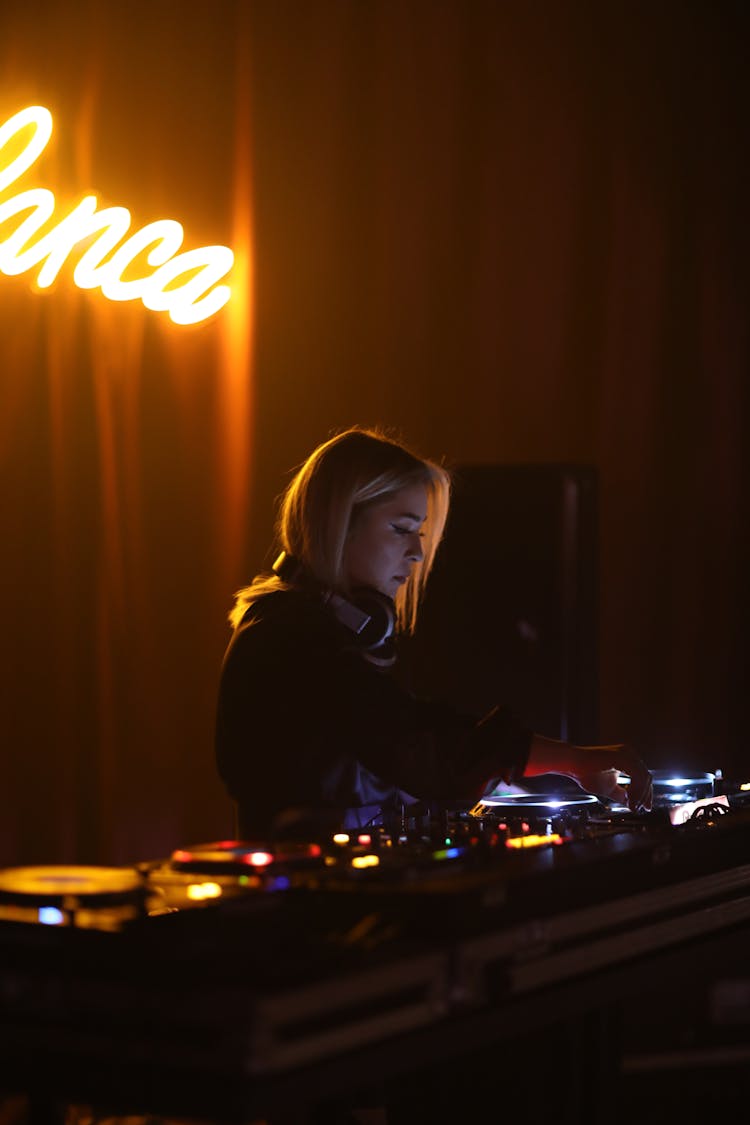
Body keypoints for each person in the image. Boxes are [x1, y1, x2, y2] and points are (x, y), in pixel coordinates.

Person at [216, 427, 652, 839]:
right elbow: (413, 744)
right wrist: (572, 760)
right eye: (402, 530)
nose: (418, 553)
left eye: (421, 535)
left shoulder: (319, 634)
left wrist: (513, 786)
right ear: (339, 524)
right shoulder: (287, 638)